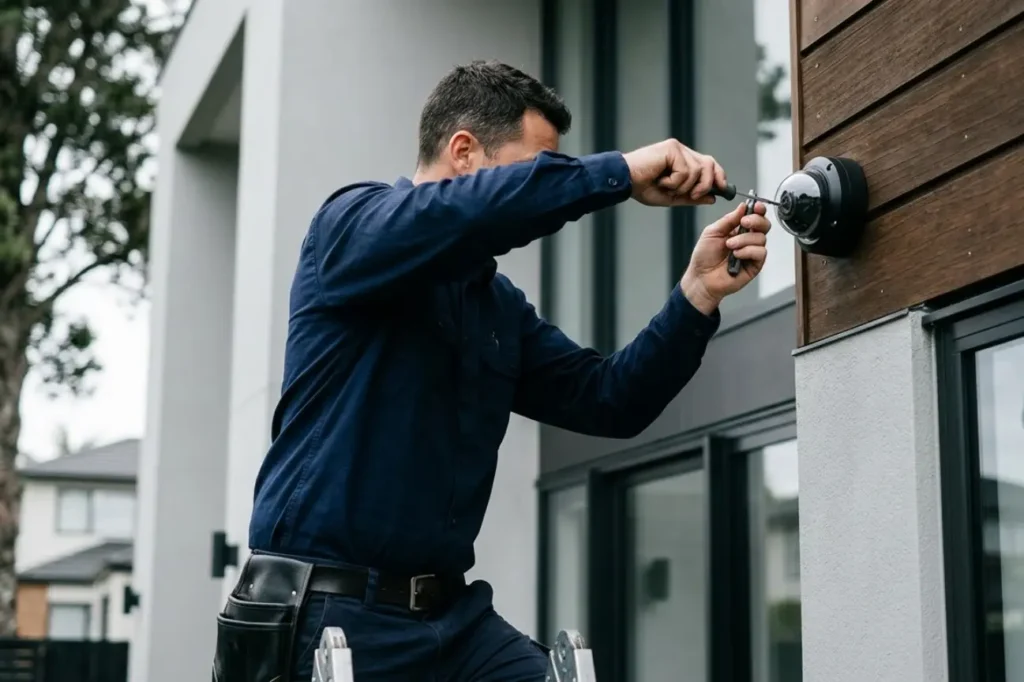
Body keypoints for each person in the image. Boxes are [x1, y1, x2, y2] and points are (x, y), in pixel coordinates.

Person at [212, 60, 770, 682]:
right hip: (332, 613)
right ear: (463, 153)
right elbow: (470, 213)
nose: (549, 185)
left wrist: (698, 294)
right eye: (538, 168)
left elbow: (610, 399)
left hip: (454, 621)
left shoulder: (496, 307)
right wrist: (620, 170)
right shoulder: (350, 228)